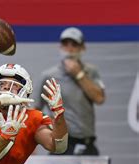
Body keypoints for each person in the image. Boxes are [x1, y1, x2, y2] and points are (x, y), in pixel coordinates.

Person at [36, 27, 105, 155]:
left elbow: (99, 98)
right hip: (60, 144)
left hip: (87, 144)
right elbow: (35, 111)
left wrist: (79, 74)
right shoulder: (49, 76)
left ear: (82, 48)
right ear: (60, 46)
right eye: (65, 43)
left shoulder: (91, 71)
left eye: (74, 44)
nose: (69, 48)